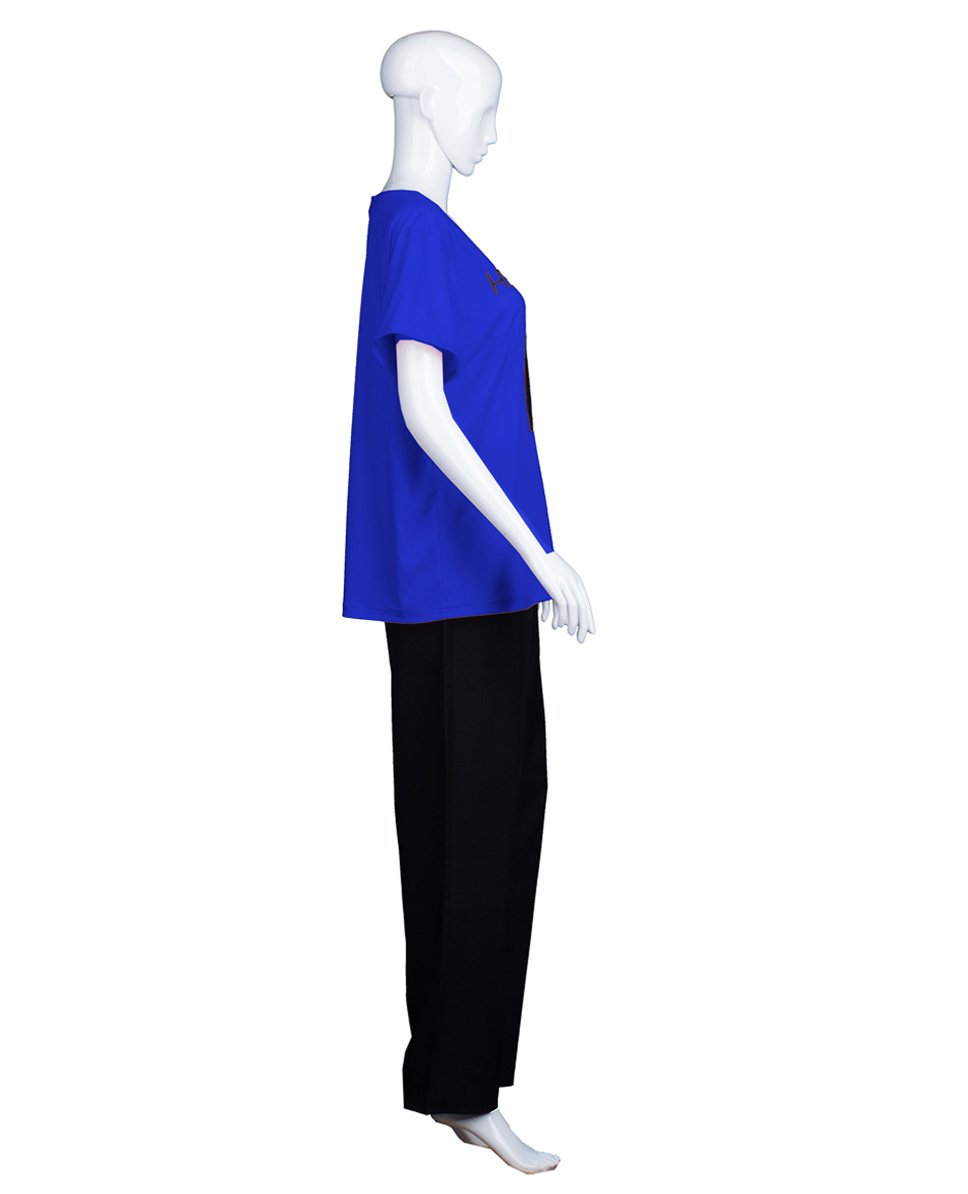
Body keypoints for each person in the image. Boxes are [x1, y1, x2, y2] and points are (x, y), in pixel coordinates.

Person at [341, 29, 595, 1175]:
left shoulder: (420, 230)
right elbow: (422, 410)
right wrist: (540, 554)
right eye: (481, 107)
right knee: (475, 821)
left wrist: (525, 561)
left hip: (472, 586)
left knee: (477, 816)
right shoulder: (413, 231)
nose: (491, 132)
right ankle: (463, 1085)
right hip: (457, 585)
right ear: (426, 101)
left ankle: (455, 1078)